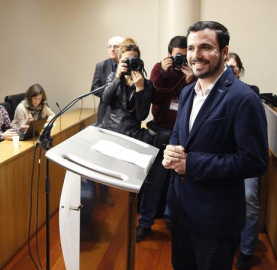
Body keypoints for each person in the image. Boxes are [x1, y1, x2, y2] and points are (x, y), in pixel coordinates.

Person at [163, 21, 268, 270]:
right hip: (181, 213)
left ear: (223, 51)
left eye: (205, 47)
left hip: (215, 220)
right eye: (190, 48)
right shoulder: (188, 92)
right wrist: (171, 150)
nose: (195, 55)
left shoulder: (243, 98)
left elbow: (255, 161)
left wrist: (192, 164)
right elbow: (179, 134)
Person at [136, 36, 196, 242]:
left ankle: (172, 219)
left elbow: (198, 102)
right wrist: (164, 72)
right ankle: (145, 222)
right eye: (177, 55)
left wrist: (190, 81)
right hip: (161, 132)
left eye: (184, 55)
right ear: (169, 54)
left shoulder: (194, 71)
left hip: (183, 135)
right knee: (154, 182)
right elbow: (156, 95)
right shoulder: (158, 69)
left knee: (177, 182)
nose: (181, 59)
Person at [226, 52, 260, 270]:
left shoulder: (251, 93)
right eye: (226, 67)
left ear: (240, 70)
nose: (230, 71)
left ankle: (247, 250)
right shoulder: (212, 92)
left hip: (245, 158)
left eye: (234, 67)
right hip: (223, 157)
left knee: (249, 197)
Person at [98, 38, 154, 145]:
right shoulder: (113, 77)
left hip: (132, 134)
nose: (130, 63)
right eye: (126, 60)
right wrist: (117, 77)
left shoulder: (146, 84)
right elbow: (105, 100)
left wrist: (140, 89)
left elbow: (141, 116)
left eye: (133, 60)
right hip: (110, 130)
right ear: (119, 61)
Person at [90, 36, 124, 206]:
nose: (112, 49)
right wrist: (109, 94)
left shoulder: (130, 63)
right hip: (105, 114)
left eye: (116, 46)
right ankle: (103, 192)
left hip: (123, 117)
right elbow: (94, 89)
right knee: (103, 156)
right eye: (109, 46)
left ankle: (121, 189)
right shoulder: (101, 66)